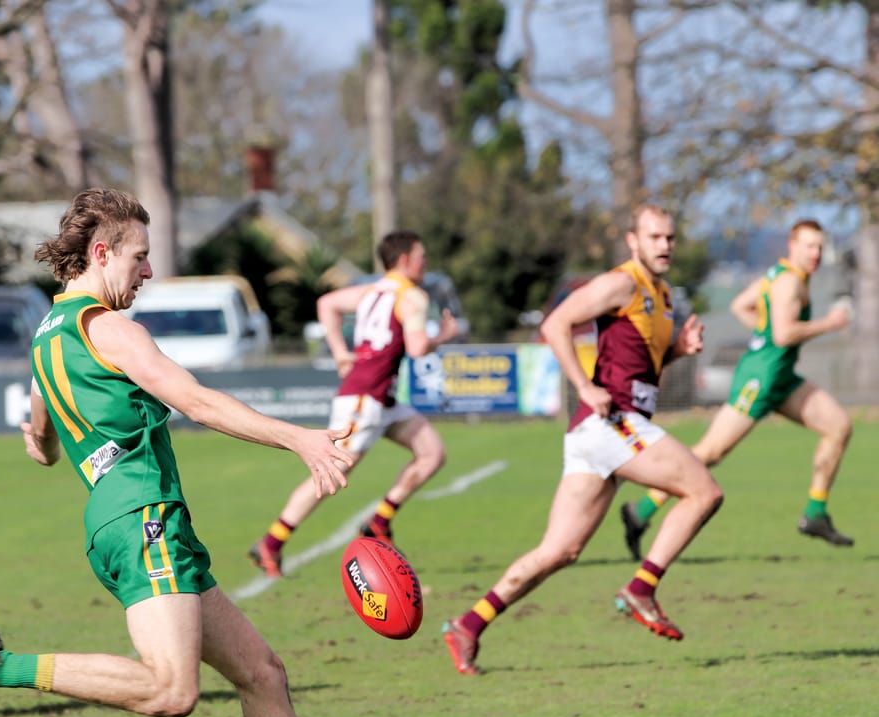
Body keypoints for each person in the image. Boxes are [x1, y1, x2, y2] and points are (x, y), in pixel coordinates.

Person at [0, 188, 349, 717]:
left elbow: (44, 441)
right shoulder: (109, 327)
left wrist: (44, 440)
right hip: (142, 516)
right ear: (101, 253)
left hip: (130, 520)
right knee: (170, 689)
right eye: (140, 258)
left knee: (263, 672)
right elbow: (195, 400)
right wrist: (298, 436)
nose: (149, 272)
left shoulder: (47, 336)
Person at [442, 204, 723, 675]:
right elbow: (554, 324)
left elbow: (642, 369)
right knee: (703, 492)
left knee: (560, 551)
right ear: (633, 241)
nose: (665, 245)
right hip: (612, 421)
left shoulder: (663, 295)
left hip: (602, 432)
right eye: (655, 237)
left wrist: (676, 350)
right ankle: (642, 589)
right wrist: (583, 385)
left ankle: (468, 624)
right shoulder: (621, 282)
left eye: (670, 238)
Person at [620, 218, 853, 558]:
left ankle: (815, 514)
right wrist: (829, 324)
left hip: (782, 377)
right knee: (710, 453)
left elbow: (741, 306)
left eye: (820, 246)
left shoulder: (777, 275)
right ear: (793, 246)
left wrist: (762, 331)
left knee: (838, 426)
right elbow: (784, 335)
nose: (816, 253)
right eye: (809, 246)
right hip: (760, 380)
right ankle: (638, 512)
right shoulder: (789, 283)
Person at [248, 230, 458, 577]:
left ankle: (379, 522)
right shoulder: (413, 296)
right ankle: (271, 542)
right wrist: (445, 336)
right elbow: (418, 347)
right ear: (404, 260)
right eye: (422, 256)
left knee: (432, 452)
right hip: (366, 398)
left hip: (382, 398)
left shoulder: (371, 291)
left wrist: (341, 351)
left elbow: (326, 303)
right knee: (331, 472)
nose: (426, 263)